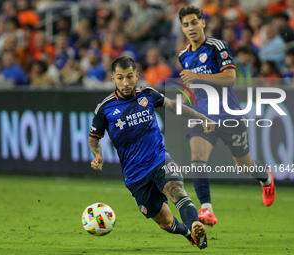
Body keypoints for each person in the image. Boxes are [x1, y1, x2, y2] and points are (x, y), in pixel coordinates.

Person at [89, 56, 215, 250]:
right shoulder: (105, 109)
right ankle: (188, 233)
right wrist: (97, 155)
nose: (126, 82)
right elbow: (93, 137)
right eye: (121, 77)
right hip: (135, 175)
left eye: (130, 76)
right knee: (165, 222)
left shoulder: (148, 94)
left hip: (159, 160)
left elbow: (174, 106)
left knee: (177, 191)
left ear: (137, 75)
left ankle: (194, 224)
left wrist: (201, 118)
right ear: (113, 78)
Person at [177, 6, 276, 227]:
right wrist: (184, 99)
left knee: (245, 166)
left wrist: (198, 75)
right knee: (197, 156)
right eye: (186, 25)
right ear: (182, 29)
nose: (191, 28)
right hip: (203, 116)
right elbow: (191, 84)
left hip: (228, 115)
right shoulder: (184, 56)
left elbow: (230, 78)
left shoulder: (217, 47)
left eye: (194, 22)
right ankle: (206, 209)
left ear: (203, 23)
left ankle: (266, 178)